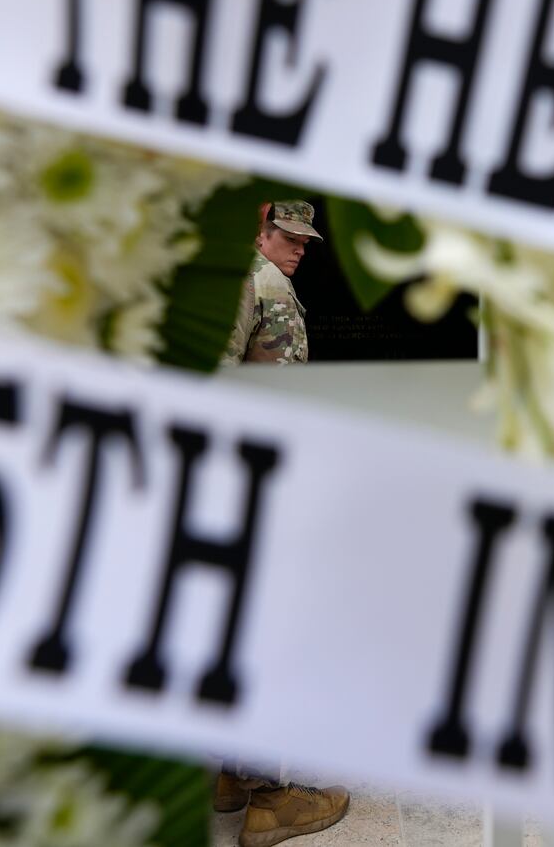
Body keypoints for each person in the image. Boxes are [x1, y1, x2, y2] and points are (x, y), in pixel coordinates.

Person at [216, 199, 350, 845]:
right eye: (288, 236)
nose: (299, 247)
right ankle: (268, 798)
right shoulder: (254, 284)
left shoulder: (262, 282)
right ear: (262, 231)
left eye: (305, 239)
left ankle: (232, 775)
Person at [220, 200, 319, 366]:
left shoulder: (230, 265)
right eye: (291, 239)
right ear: (260, 233)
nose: (301, 251)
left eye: (304, 243)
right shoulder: (269, 279)